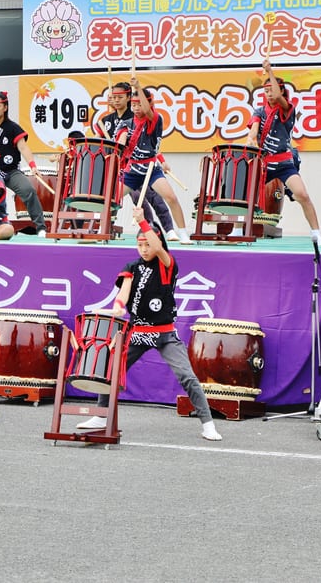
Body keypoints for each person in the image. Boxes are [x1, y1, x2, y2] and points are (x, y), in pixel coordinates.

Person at [76, 207, 221, 441]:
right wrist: (119, 305)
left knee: (187, 376)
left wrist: (143, 222)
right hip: (138, 332)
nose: (144, 249)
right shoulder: (131, 267)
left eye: (148, 244)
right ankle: (101, 415)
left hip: (164, 334)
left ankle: (207, 423)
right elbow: (124, 291)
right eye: (140, 245)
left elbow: (159, 248)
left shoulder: (166, 265)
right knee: (111, 369)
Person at [246, 59, 321, 245]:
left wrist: (270, 71)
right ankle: (237, 230)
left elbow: (277, 96)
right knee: (244, 195)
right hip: (264, 162)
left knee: (303, 195)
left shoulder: (288, 108)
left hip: (283, 163)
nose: (269, 94)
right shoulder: (259, 111)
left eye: (272, 90)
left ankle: (316, 234)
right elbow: (253, 131)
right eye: (265, 91)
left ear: (281, 91)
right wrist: (251, 140)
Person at [97, 81, 177, 240]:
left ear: (128, 97)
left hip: (138, 165)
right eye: (113, 97)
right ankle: (103, 229)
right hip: (118, 166)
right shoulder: (106, 120)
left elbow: (151, 144)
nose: (116, 100)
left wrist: (161, 160)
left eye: (120, 97)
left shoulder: (136, 115)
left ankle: (159, 230)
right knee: (111, 198)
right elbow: (103, 145)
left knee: (150, 197)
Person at [117, 78, 193, 244]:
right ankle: (102, 230)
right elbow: (120, 144)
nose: (136, 108)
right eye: (133, 105)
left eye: (139, 105)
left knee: (171, 197)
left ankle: (182, 233)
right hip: (132, 170)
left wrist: (138, 86)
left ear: (148, 104)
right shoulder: (126, 122)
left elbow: (149, 113)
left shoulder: (155, 119)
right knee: (111, 200)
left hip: (151, 168)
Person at [0, 91, 47, 237]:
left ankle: (41, 228)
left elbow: (23, 147)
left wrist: (32, 166)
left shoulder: (13, 128)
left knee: (28, 190)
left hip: (10, 172)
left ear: (5, 107)